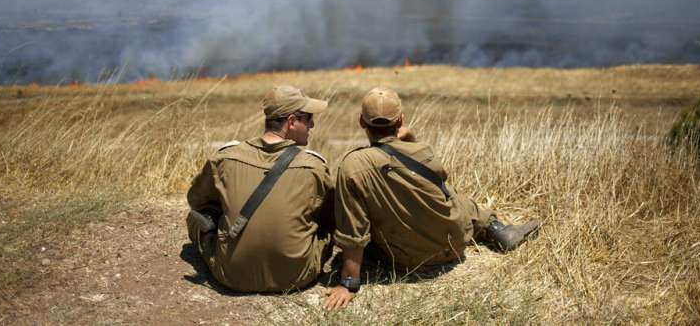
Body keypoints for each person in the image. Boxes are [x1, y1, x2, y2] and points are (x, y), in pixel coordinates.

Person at [324, 87, 540, 310]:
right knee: (460, 201)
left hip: (408, 260)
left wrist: (348, 283)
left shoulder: (353, 166)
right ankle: (497, 228)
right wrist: (410, 140)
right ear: (401, 120)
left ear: (361, 122)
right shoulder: (422, 150)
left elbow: (353, 233)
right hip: (454, 241)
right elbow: (436, 181)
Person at [186, 85, 334, 293]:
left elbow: (197, 202)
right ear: (291, 122)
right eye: (308, 118)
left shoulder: (225, 158)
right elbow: (330, 217)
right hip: (296, 277)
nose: (313, 124)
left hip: (230, 275)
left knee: (196, 218)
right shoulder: (314, 167)